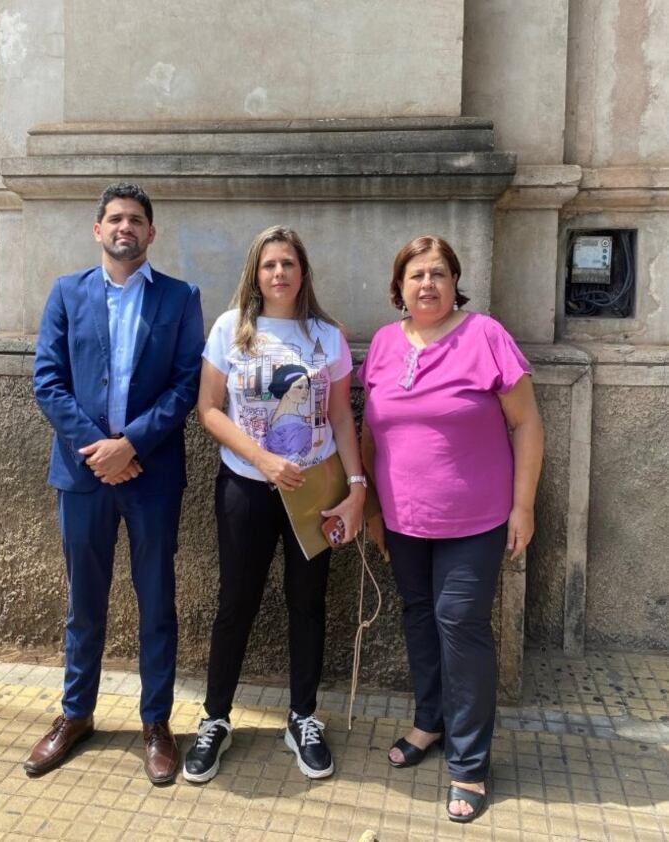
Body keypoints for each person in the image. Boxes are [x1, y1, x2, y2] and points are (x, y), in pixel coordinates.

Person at [358, 236, 543, 822]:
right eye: (416, 275)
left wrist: (524, 506)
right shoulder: (386, 343)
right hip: (404, 517)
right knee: (417, 615)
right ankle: (429, 721)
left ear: (455, 281)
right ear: (400, 286)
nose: (427, 284)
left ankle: (470, 764)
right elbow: (372, 429)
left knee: (459, 623)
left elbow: (527, 423)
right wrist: (372, 508)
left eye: (439, 274)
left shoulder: (485, 335)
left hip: (477, 517)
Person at [28, 183, 204, 784]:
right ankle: (75, 714)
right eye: (115, 219)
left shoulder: (181, 298)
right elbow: (47, 380)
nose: (125, 227)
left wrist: (131, 445)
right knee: (84, 603)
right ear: (97, 230)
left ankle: (157, 722)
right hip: (82, 477)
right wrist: (99, 452)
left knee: (157, 601)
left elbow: (186, 385)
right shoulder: (66, 293)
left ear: (152, 233)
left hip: (151, 476)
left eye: (136, 220)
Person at [183, 225, 366, 783]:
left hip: (313, 491)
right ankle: (215, 719)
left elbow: (339, 416)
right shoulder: (230, 328)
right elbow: (209, 409)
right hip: (246, 487)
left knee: (308, 602)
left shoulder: (326, 336)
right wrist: (261, 461)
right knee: (236, 603)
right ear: (255, 273)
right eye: (269, 265)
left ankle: (303, 717)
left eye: (288, 263)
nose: (279, 273)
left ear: (303, 271)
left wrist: (357, 488)